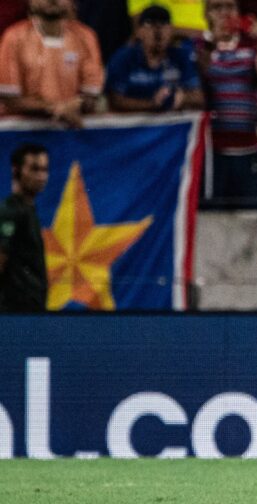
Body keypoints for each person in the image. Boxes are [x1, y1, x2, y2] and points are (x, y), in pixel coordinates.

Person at [197, 0, 257, 208]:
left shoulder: (251, 44)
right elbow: (198, 89)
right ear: (206, 13)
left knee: (254, 216)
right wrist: (210, 47)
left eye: (230, 7)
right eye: (217, 7)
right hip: (213, 151)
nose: (224, 13)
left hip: (248, 147)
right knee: (213, 215)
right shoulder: (199, 46)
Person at [0, 0, 103, 128]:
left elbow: (91, 95)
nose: (52, 0)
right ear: (30, 2)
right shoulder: (13, 37)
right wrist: (55, 108)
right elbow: (9, 99)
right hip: (21, 132)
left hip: (71, 130)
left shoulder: (86, 37)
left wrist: (77, 104)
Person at [105, 5, 203, 113]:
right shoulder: (123, 58)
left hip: (172, 122)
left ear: (171, 30)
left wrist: (183, 97)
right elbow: (114, 100)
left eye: (163, 24)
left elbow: (199, 97)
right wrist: (152, 104)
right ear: (139, 32)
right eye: (150, 25)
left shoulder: (181, 56)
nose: (158, 32)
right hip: (133, 123)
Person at [0, 143, 49, 313]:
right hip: (14, 315)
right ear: (16, 170)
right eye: (34, 169)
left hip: (32, 312)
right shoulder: (10, 211)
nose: (41, 176)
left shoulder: (29, 211)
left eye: (44, 169)